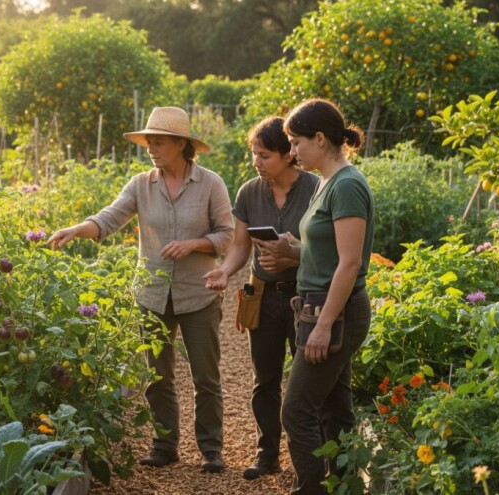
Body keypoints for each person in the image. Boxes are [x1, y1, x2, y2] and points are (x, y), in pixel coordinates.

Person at [47, 107, 234, 473]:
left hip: (198, 295)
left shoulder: (211, 183)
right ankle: (165, 445)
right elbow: (108, 218)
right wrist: (75, 229)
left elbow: (227, 235)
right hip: (151, 294)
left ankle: (211, 449)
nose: (151, 149)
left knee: (206, 376)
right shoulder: (141, 184)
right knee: (157, 376)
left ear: (182, 145)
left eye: (159, 142)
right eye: (149, 142)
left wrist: (194, 244)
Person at [203, 117, 318, 480]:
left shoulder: (316, 188)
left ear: (289, 154)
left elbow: (327, 248)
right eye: (254, 154)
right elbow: (240, 246)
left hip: (306, 296)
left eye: (265, 155)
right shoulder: (250, 192)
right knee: (264, 380)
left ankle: (311, 463)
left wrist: (293, 254)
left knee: (307, 382)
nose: (256, 162)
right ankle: (267, 454)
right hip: (265, 295)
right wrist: (225, 269)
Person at [279, 99, 374, 494]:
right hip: (321, 306)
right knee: (336, 410)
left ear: (320, 139)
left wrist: (322, 326)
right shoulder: (328, 183)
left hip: (336, 312)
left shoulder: (348, 186)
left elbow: (350, 264)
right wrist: (294, 249)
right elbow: (330, 251)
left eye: (296, 141)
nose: (292, 151)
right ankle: (345, 487)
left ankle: (313, 490)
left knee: (296, 409)